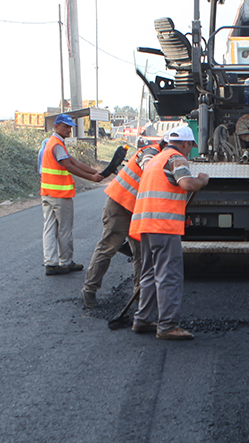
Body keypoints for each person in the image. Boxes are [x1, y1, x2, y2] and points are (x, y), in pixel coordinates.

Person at [127, 125, 209, 341]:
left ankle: (142, 319)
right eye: (190, 145)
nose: (190, 149)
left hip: (146, 224)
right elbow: (186, 183)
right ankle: (168, 325)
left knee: (149, 274)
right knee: (169, 275)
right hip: (163, 226)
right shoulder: (176, 158)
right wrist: (202, 180)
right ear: (185, 143)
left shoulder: (156, 159)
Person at [80, 134, 159, 308]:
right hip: (120, 205)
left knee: (141, 252)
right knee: (108, 246)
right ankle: (89, 289)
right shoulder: (151, 151)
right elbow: (147, 164)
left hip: (138, 210)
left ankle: (140, 296)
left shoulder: (165, 157)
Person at [38, 114, 104, 275]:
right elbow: (69, 166)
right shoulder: (57, 145)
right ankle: (65, 261)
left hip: (47, 193)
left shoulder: (52, 143)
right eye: (66, 127)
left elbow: (75, 162)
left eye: (70, 127)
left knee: (49, 228)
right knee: (64, 229)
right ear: (56, 127)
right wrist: (91, 178)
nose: (69, 130)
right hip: (60, 194)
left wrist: (96, 172)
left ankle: (51, 263)